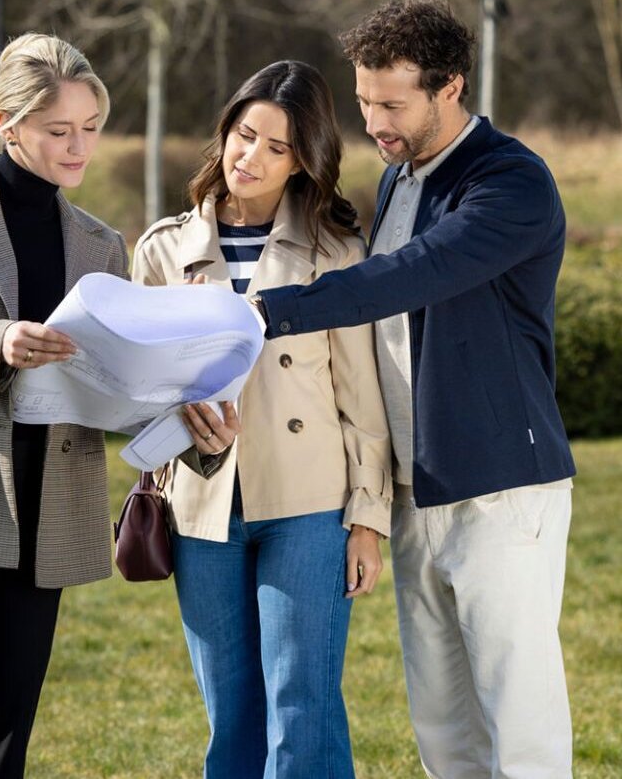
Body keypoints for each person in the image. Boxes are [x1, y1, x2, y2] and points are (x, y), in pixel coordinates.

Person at [0, 32, 238, 779]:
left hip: (44, 519)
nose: (78, 146)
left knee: (2, 751)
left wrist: (195, 433)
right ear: (7, 120)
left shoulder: (99, 245)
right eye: (60, 131)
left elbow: (112, 389)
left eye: (90, 128)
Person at [250, 0, 576, 778]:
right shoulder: (399, 178)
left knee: (517, 718)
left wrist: (265, 312)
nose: (375, 123)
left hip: (500, 488)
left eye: (392, 104)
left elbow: (409, 276)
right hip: (415, 488)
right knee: (441, 723)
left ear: (450, 86)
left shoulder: (510, 183)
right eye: (364, 102)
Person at [133, 60, 392, 779]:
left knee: (304, 707)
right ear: (225, 134)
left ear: (303, 162)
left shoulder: (336, 253)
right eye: (245, 136)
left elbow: (362, 399)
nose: (251, 158)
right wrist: (175, 414)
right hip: (201, 507)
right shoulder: (161, 251)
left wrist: (368, 519)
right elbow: (138, 387)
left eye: (277, 148)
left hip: (310, 508)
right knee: (231, 713)